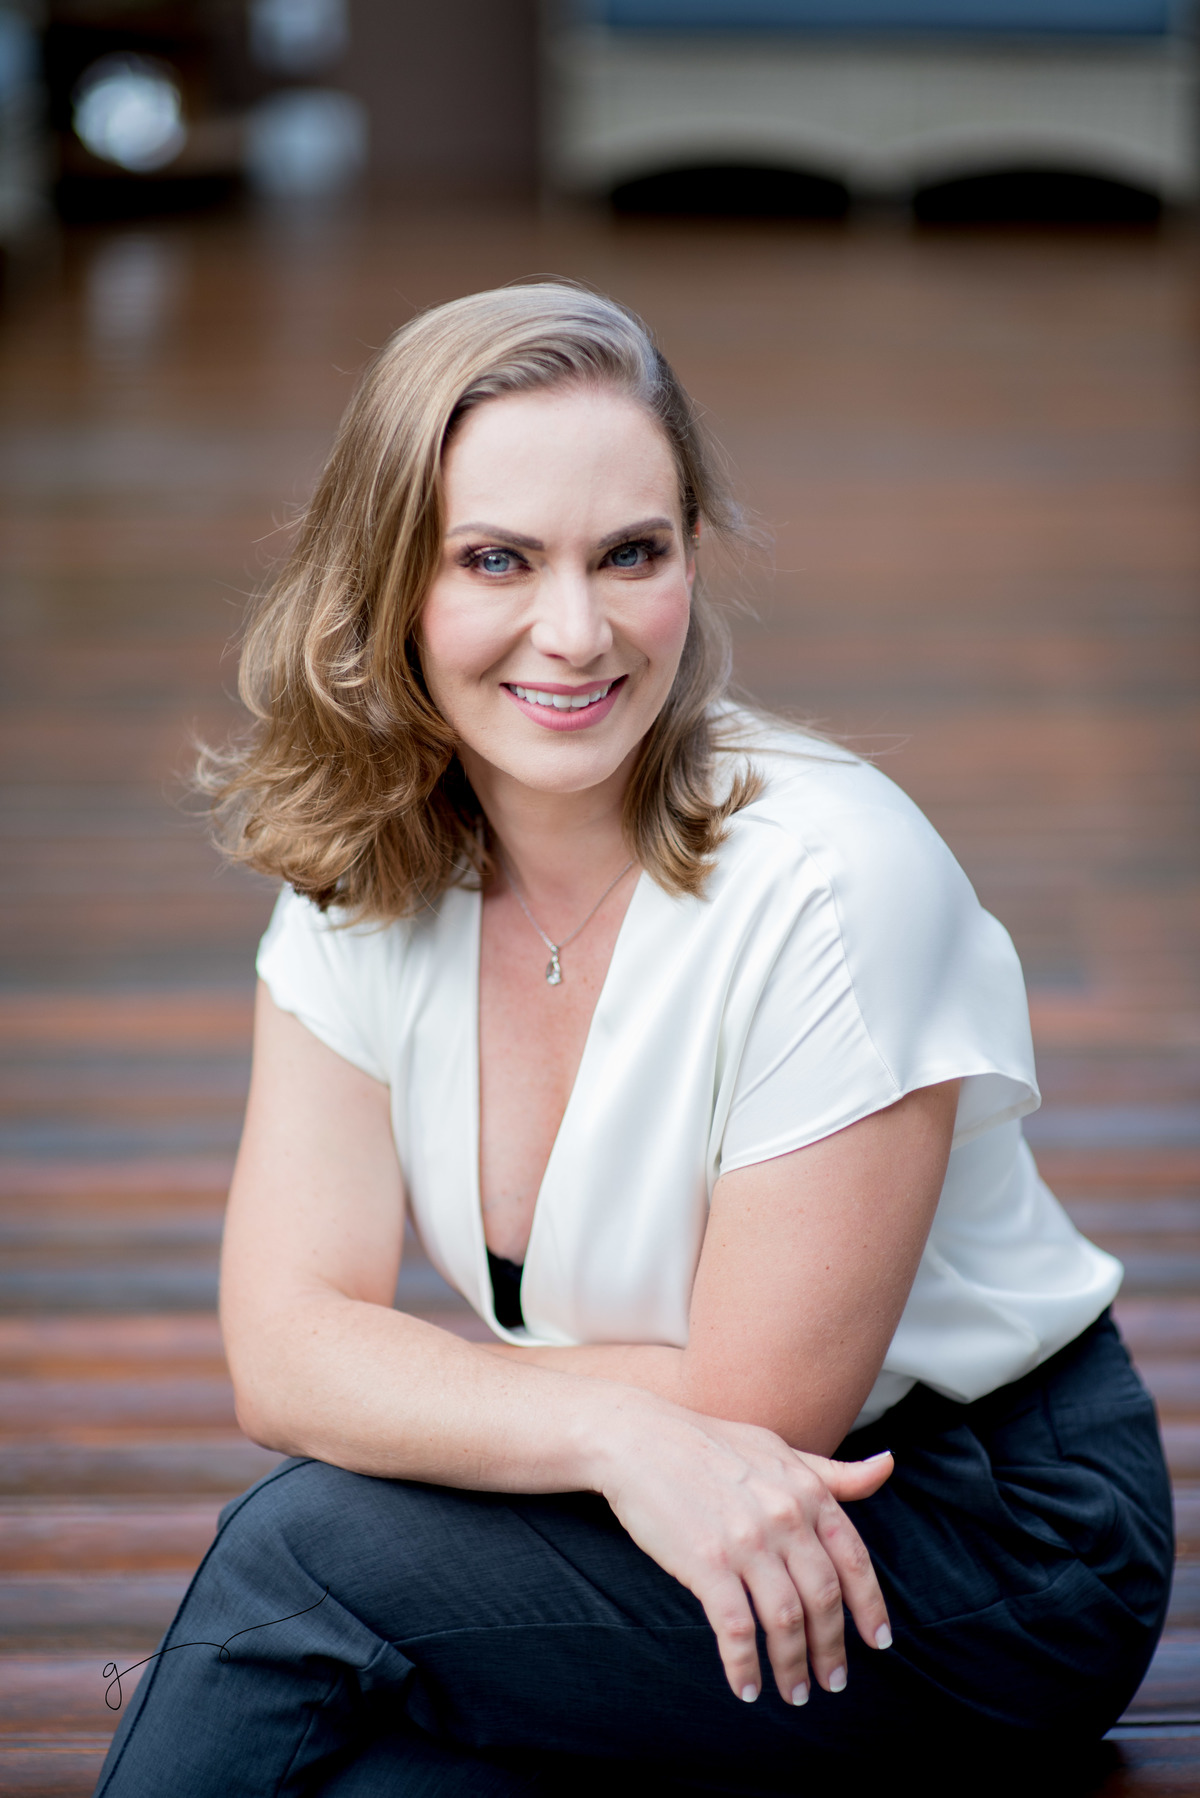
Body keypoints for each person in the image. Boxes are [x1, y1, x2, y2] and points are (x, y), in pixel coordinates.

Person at [95, 284, 1172, 1796]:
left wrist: (488, 1403)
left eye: (630, 554)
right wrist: (606, 1434)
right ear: (390, 577)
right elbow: (284, 1350)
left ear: (689, 559)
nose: (577, 630)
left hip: (974, 1535)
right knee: (352, 1771)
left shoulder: (833, 879)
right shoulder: (363, 868)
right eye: (496, 559)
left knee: (300, 1561)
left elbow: (758, 1408)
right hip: (658, 1499)